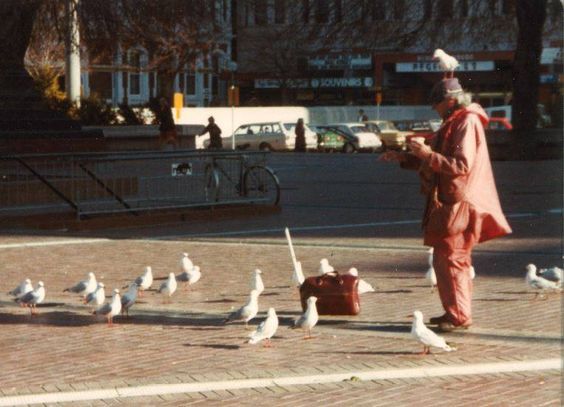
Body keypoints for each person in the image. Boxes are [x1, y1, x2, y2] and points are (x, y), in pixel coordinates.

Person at [380, 77, 512, 332]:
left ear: (450, 101)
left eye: (436, 104)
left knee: (454, 259)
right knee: (445, 260)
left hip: (460, 203)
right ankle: (454, 312)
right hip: (451, 202)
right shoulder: (455, 121)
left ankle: (460, 315)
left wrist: (426, 153)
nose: (435, 109)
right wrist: (406, 157)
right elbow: (441, 160)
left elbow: (460, 165)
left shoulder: (466, 122)